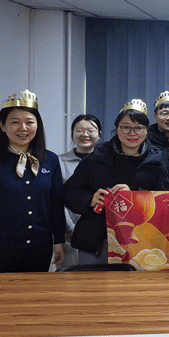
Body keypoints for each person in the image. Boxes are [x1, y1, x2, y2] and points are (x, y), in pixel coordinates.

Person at [63, 99, 168, 265]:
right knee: (89, 281)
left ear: (146, 130)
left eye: (139, 128)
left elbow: (163, 200)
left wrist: (134, 195)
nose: (132, 133)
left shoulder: (155, 163)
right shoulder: (96, 158)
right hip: (97, 241)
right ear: (117, 129)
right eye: (125, 127)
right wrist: (90, 199)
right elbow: (68, 192)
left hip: (140, 242)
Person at [0, 89, 66, 276]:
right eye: (15, 122)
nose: (23, 128)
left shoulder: (50, 160)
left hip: (39, 248)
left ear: (38, 125)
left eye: (29, 122)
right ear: (2, 126)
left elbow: (56, 204)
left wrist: (59, 241)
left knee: (35, 293)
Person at [58, 114, 103, 268]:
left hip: (97, 232)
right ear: (72, 133)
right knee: (69, 273)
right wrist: (69, 227)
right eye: (79, 130)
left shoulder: (105, 162)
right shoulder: (59, 161)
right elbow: (58, 198)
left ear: (99, 134)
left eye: (90, 130)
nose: (85, 134)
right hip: (67, 231)